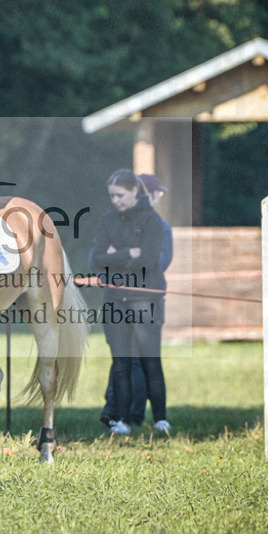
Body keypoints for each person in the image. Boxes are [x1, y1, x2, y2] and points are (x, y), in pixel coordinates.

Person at [90, 169, 169, 435]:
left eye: (120, 195)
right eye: (112, 196)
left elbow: (147, 261)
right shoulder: (107, 220)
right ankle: (121, 420)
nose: (116, 200)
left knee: (150, 361)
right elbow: (97, 259)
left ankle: (160, 418)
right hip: (115, 300)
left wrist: (115, 258)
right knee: (121, 363)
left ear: (135, 191)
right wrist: (127, 253)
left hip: (145, 299)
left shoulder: (152, 221)